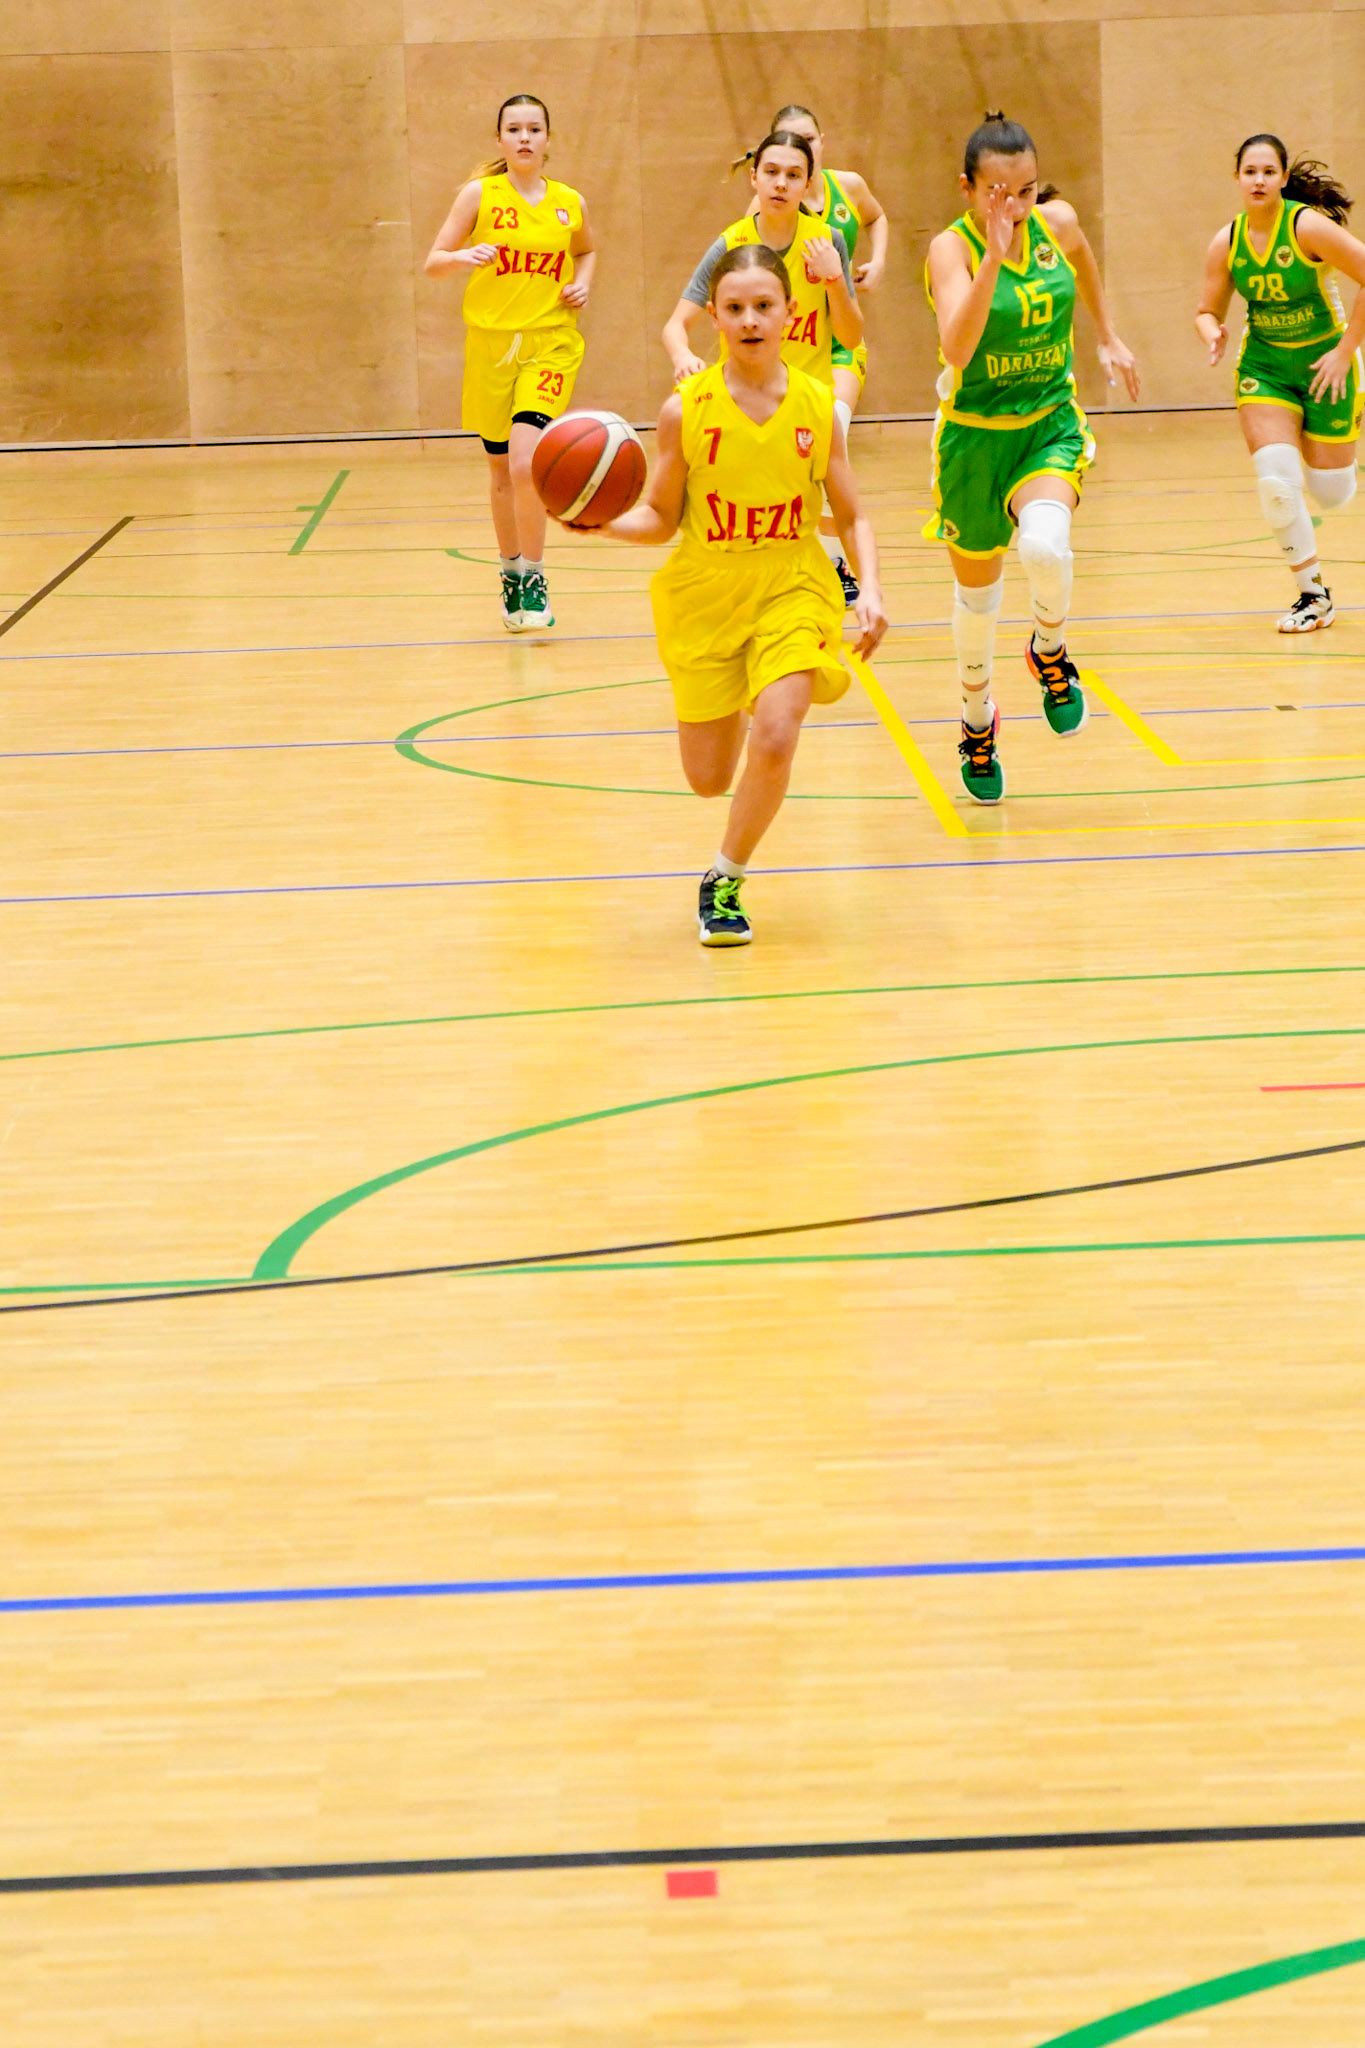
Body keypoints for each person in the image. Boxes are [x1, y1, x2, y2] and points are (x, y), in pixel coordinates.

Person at [572, 244, 884, 946]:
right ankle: (745, 690)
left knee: (776, 735)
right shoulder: (684, 411)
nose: (750, 320)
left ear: (789, 313)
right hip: (707, 589)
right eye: (735, 308)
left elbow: (853, 514)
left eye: (763, 306)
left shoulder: (818, 407)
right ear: (712, 317)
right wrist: (602, 523)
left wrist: (870, 587)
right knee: (708, 779)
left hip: (792, 583)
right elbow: (660, 517)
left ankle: (725, 877)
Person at [924, 112, 1139, 803]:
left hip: (1047, 423)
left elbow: (1083, 261)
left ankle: (1050, 649)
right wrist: (992, 257)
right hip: (973, 439)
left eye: (1026, 190)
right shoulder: (950, 251)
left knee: (1045, 546)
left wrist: (1105, 334)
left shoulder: (1057, 224)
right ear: (967, 188)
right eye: (999, 193)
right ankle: (976, 719)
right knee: (977, 602)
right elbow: (957, 348)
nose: (1015, 206)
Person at [425, 92, 595, 632]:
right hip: (491, 347)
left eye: (534, 129)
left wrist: (582, 284)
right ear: (499, 139)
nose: (525, 137)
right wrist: (461, 256)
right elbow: (432, 262)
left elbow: (586, 250)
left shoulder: (569, 201)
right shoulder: (480, 195)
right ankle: (511, 572)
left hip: (550, 343)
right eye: (514, 129)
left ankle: (536, 577)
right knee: (501, 470)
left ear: (548, 139)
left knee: (526, 463)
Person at [1195, 134, 1365, 633]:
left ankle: (1340, 438)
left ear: (1284, 178)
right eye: (1250, 171)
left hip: (1326, 365)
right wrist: (1211, 331)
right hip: (1264, 368)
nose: (1259, 180)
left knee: (1332, 493)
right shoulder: (1227, 242)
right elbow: (1206, 309)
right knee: (1276, 482)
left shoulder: (1306, 226)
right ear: (1237, 178)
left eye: (1269, 171)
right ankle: (1313, 594)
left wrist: (1344, 352)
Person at [745, 103, 890, 604]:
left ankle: (840, 567)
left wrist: (878, 261)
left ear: (820, 143)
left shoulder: (847, 187)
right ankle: (826, 559)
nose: (800, 146)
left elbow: (877, 217)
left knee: (833, 431)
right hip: (796, 346)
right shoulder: (762, 212)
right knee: (802, 458)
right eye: (788, 139)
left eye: (808, 138)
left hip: (840, 344)